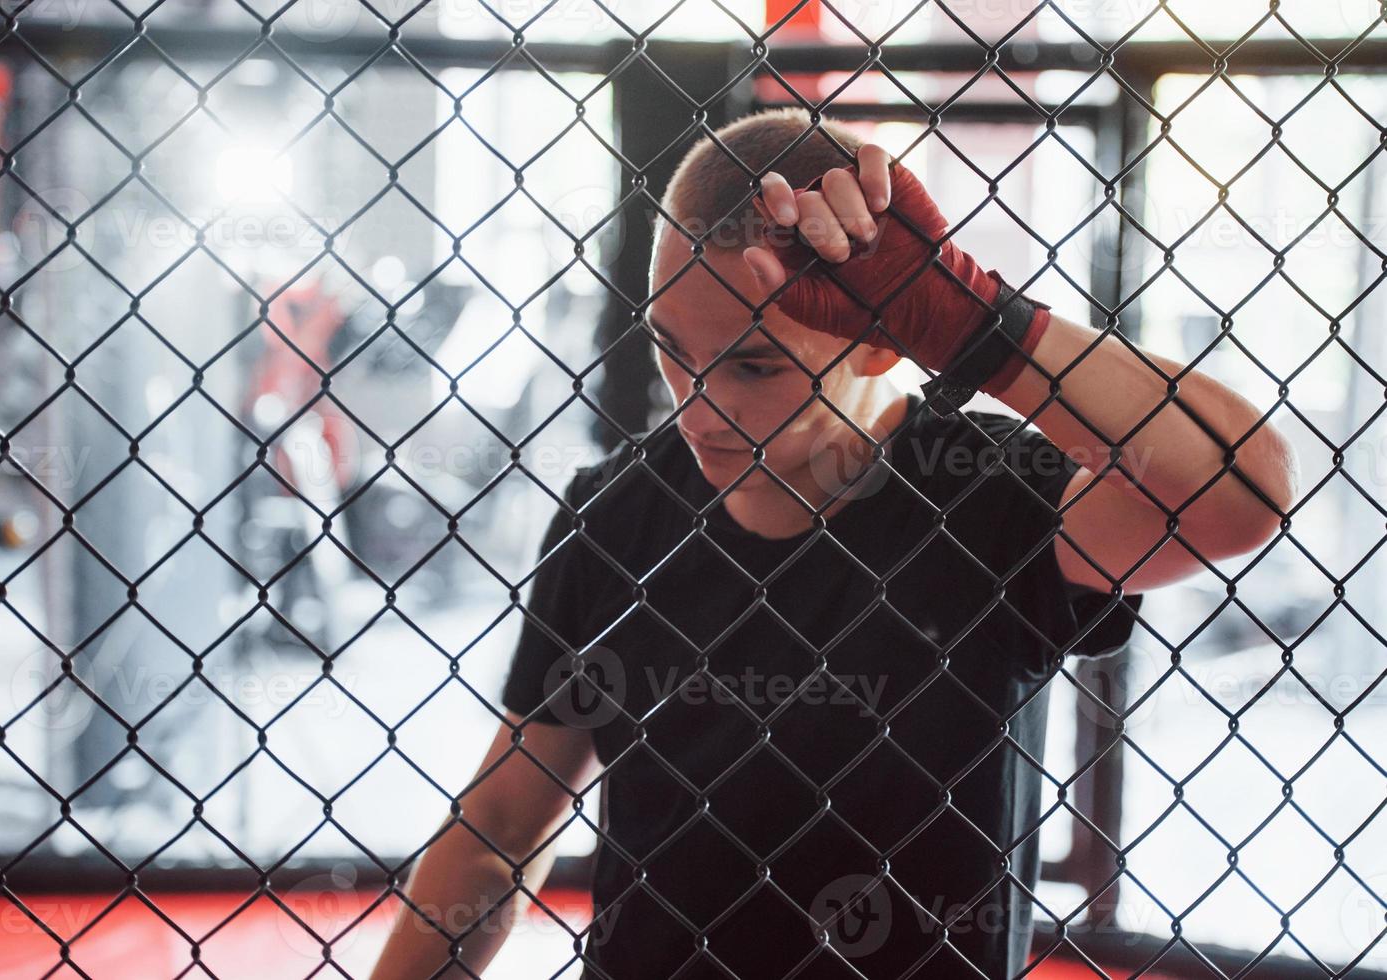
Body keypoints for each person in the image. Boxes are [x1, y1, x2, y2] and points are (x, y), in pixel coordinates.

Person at [369, 108, 1299, 979]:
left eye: (752, 364)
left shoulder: (985, 498)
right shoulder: (615, 515)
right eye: (674, 351)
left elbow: (1239, 494)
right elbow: (498, 824)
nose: (697, 409)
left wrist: (985, 329)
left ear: (873, 340)